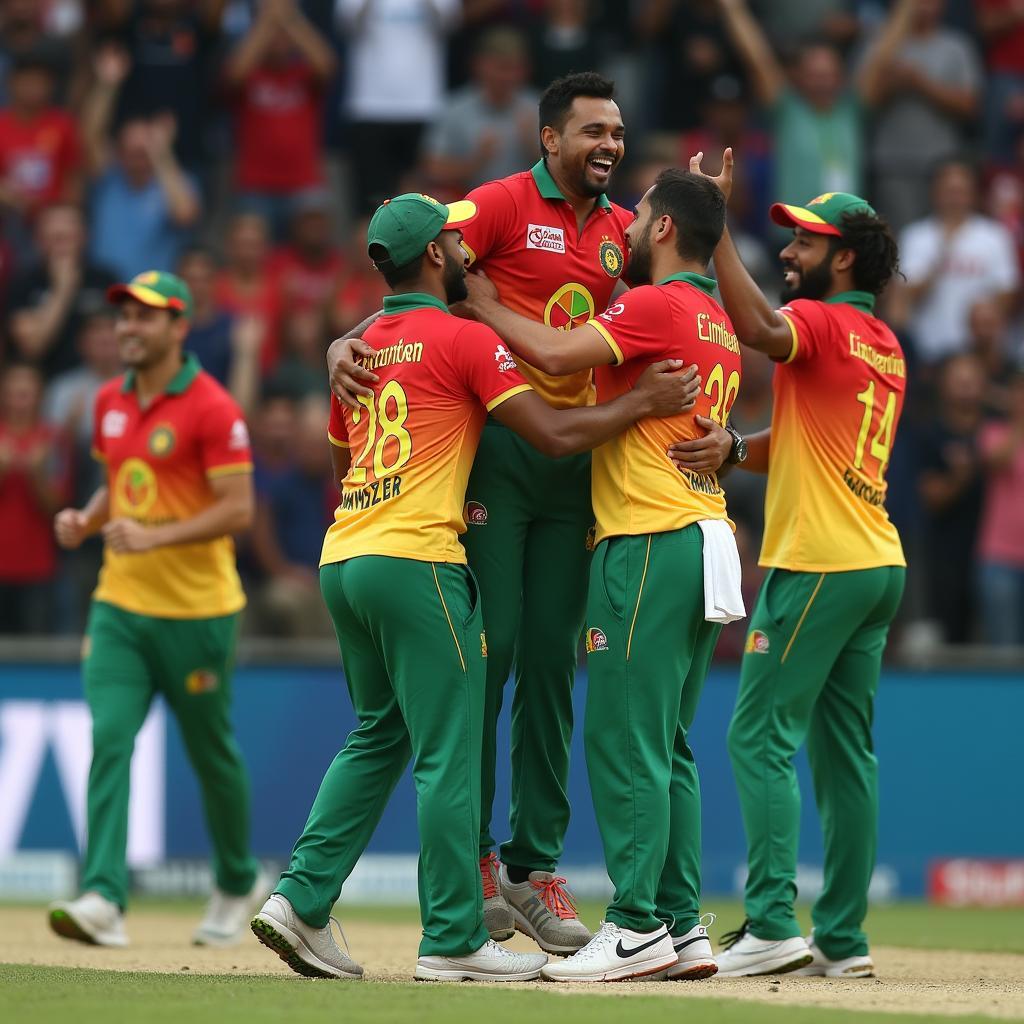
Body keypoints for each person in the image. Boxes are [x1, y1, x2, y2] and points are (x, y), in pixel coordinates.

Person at [251, 192, 699, 981]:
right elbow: (555, 433)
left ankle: (299, 899)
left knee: (379, 733)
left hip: (344, 556)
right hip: (419, 561)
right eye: (455, 248)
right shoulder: (465, 338)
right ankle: (455, 937)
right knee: (449, 752)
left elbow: (339, 464)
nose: (468, 254)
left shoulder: (359, 353)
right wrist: (641, 401)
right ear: (436, 258)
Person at [328, 71, 634, 956]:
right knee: (488, 650)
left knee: (548, 663)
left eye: (616, 131)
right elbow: (408, 258)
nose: (608, 144)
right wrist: (348, 336)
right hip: (498, 462)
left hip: (573, 467)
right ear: (549, 141)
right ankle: (473, 859)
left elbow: (666, 310)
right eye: (591, 132)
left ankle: (534, 869)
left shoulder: (622, 231)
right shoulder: (499, 206)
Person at [457, 168, 743, 983]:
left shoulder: (652, 305)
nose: (627, 223)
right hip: (706, 535)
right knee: (671, 746)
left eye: (642, 212)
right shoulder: (717, 320)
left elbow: (549, 348)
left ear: (660, 232)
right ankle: (684, 928)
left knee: (625, 742)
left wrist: (479, 301)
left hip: (646, 538)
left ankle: (634, 926)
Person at [679, 152, 907, 978]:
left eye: (805, 244)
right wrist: (738, 448)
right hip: (876, 564)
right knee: (847, 755)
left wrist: (715, 229)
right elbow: (810, 440)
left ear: (843, 257)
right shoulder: (882, 342)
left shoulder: (828, 324)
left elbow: (759, 331)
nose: (791, 254)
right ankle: (842, 940)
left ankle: (773, 922)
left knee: (757, 737)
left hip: (819, 563)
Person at [48, 270, 266, 948]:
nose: (128, 330)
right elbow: (121, 483)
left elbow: (238, 509)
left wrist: (155, 536)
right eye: (124, 318)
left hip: (198, 613)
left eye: (146, 318)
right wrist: (86, 519)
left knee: (210, 752)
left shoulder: (211, 407)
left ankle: (237, 880)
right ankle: (104, 898)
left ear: (180, 328)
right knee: (110, 740)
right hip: (120, 605)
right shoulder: (109, 400)